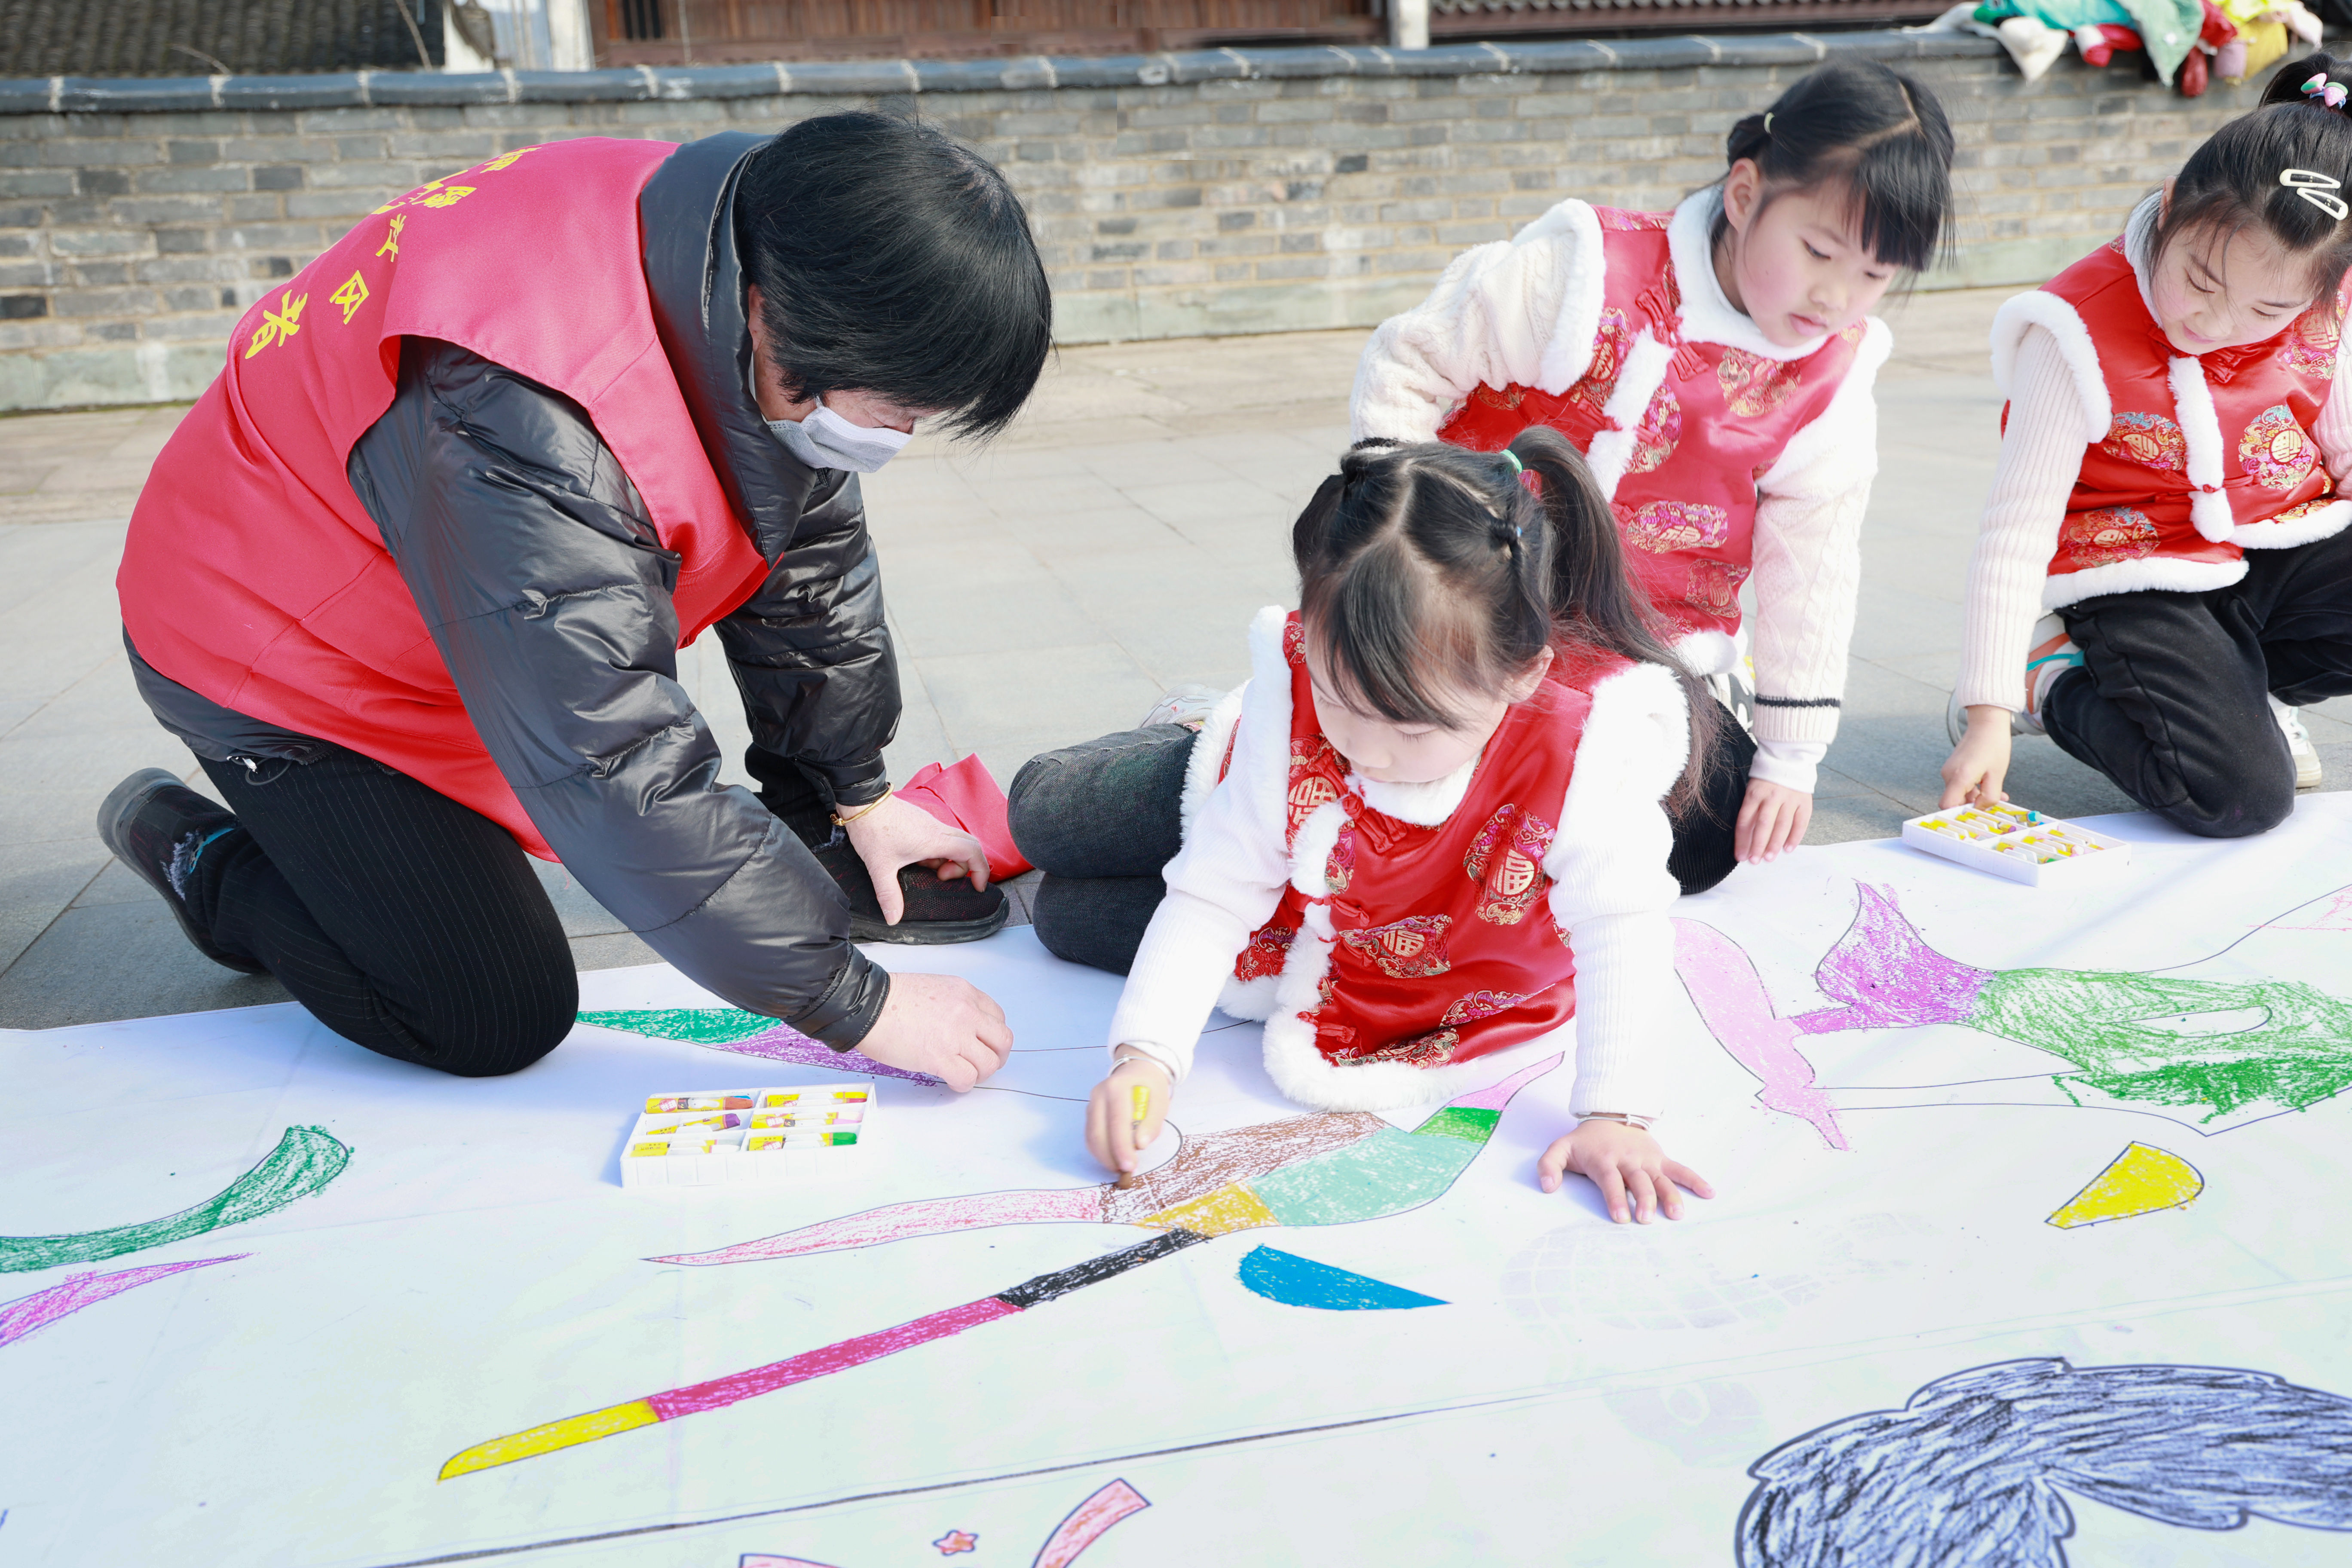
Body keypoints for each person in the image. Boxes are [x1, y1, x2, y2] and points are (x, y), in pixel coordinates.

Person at [98, 113, 1048, 1087]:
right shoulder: (519, 403)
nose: (905, 431)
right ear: (776, 318)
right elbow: (608, 755)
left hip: (474, 628)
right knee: (488, 1010)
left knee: (655, 836)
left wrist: (855, 796)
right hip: (283, 656)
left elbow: (805, 551)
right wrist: (859, 1007)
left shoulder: (743, 249)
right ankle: (204, 857)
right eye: (899, 407)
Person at [1009, 430, 1716, 1224]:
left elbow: (1623, 924)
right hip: (1262, 812)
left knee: (1064, 920)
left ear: (1524, 676)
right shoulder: (1297, 703)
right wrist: (1146, 1058)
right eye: (1341, 703)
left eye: (1414, 730)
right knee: (1041, 813)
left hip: (1405, 939)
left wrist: (1615, 1117)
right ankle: (1190, 721)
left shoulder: (1585, 747)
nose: (1369, 754)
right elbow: (1214, 892)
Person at [1351, 61, 1956, 892]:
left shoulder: (1833, 381)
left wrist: (1791, 757)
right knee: (1407, 775)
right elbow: (1411, 362)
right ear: (1745, 195)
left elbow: (1811, 569)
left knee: (1711, 831)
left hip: (1642, 651)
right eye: (1820, 250)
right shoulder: (1590, 273)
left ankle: (1492, 849)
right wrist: (1389, 560)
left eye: (1875, 276)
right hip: (1473, 612)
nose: (1836, 297)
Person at [1942, 55, 2352, 835]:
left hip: (2273, 541)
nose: (2216, 323)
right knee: (2239, 800)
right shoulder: (2074, 330)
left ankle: (2239, 692)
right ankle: (2057, 681)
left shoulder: (2329, 301)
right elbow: (2015, 533)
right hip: (2137, 570)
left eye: (2267, 309)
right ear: (2169, 210)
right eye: (2200, 280)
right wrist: (1985, 714)